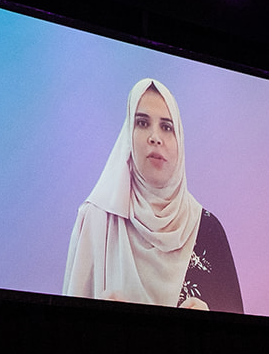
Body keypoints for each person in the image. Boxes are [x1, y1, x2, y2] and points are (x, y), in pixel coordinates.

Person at [62, 77, 243, 313]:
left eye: (167, 127)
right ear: (128, 136)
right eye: (142, 123)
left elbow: (243, 343)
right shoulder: (95, 220)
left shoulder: (208, 228)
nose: (155, 137)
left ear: (179, 140)